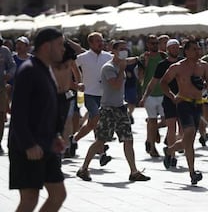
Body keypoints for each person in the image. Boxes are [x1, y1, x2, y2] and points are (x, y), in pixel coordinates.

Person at [8, 28, 66, 211]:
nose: (63, 49)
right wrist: (28, 144)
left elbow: (48, 107)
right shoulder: (28, 71)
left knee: (58, 195)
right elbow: (18, 112)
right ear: (47, 46)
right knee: (29, 199)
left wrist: (56, 135)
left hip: (46, 144)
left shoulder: (45, 69)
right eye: (60, 45)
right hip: (28, 147)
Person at [76, 41, 150, 182]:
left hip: (120, 107)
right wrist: (122, 70)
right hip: (108, 109)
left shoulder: (121, 63)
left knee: (128, 139)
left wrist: (142, 57)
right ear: (114, 51)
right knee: (101, 140)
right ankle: (83, 168)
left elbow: (131, 60)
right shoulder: (108, 68)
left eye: (125, 49)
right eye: (121, 49)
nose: (124, 51)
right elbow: (115, 85)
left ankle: (134, 171)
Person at [160, 40, 208, 185]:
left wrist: (205, 85)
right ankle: (192, 172)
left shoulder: (203, 66)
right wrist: (172, 96)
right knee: (189, 133)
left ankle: (169, 150)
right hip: (183, 103)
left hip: (197, 104)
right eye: (194, 49)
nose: (198, 52)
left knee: (189, 140)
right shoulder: (177, 67)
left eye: (199, 49)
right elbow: (163, 82)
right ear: (186, 51)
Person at [69, 32, 112, 164]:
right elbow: (69, 67)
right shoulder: (83, 57)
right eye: (98, 41)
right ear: (91, 43)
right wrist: (75, 84)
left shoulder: (108, 56)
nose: (101, 43)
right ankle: (102, 152)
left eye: (102, 40)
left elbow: (120, 64)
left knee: (93, 123)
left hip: (104, 94)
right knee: (97, 118)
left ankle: (74, 140)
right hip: (88, 94)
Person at [139, 39, 182, 166]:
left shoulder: (184, 62)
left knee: (184, 129)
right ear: (168, 49)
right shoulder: (162, 64)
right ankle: (171, 155)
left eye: (177, 47)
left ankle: (170, 147)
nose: (175, 50)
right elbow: (152, 82)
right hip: (168, 98)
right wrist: (144, 96)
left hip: (184, 99)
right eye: (172, 48)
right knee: (171, 127)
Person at [137, 34, 167, 157]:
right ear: (147, 45)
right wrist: (146, 63)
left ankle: (152, 133)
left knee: (166, 120)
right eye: (152, 43)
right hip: (149, 94)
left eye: (156, 43)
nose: (155, 45)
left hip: (163, 92)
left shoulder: (163, 56)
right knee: (153, 120)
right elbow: (141, 78)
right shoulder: (143, 58)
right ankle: (152, 147)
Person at [0, 36, 16, 154]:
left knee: (1, 116)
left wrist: (9, 75)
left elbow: (12, 65)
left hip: (1, 87)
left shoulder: (4, 50)